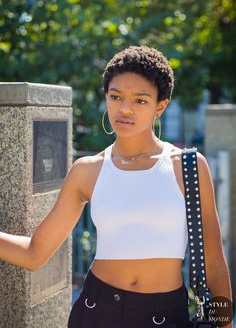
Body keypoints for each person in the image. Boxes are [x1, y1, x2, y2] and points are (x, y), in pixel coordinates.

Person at [0, 46, 233, 328]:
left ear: (161, 105)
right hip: (96, 310)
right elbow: (35, 253)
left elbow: (214, 263)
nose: (125, 109)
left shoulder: (188, 166)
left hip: (166, 314)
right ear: (106, 98)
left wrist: (223, 325)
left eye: (141, 101)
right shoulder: (87, 170)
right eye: (116, 97)